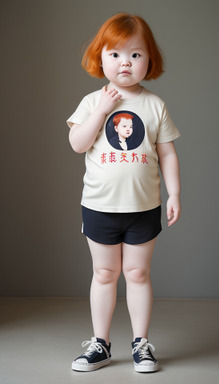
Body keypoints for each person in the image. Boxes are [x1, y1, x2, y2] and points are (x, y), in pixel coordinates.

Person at [67, 13, 181, 373]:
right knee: (104, 273)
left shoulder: (154, 105)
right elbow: (77, 143)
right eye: (115, 54)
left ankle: (141, 344)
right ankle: (100, 343)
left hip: (143, 206)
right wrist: (102, 110)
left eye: (135, 54)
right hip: (99, 206)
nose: (125, 62)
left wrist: (175, 194)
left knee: (137, 274)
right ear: (100, 58)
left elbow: (167, 153)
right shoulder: (90, 102)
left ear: (149, 60)